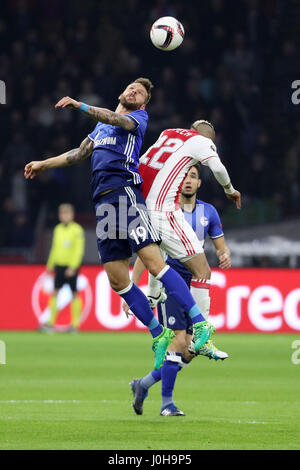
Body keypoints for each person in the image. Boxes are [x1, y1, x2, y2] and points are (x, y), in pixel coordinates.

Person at [24, 78, 215, 370]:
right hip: (103, 203)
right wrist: (42, 164)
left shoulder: (137, 119)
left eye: (141, 93)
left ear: (144, 104)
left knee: (154, 263)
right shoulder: (99, 130)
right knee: (117, 278)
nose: (135, 92)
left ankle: (200, 324)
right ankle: (158, 333)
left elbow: (114, 117)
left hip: (126, 193)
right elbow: (76, 154)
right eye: (132, 88)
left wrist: (80, 105)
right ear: (120, 92)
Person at [125, 164, 231, 416]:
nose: (187, 181)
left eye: (193, 176)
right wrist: (133, 287)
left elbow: (220, 247)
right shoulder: (163, 212)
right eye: (183, 176)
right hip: (170, 279)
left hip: (196, 281)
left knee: (190, 350)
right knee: (178, 338)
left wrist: (224, 255)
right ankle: (167, 404)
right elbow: (145, 254)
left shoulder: (209, 212)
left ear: (199, 184)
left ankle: (143, 384)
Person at [41, 203, 85, 333]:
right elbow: (54, 249)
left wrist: (73, 266)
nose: (65, 216)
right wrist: (50, 265)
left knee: (74, 293)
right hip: (58, 266)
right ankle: (50, 323)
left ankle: (75, 325)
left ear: (72, 215)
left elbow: (78, 250)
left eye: (67, 213)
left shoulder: (77, 230)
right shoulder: (58, 229)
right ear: (60, 216)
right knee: (55, 292)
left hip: (71, 266)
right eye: (63, 214)